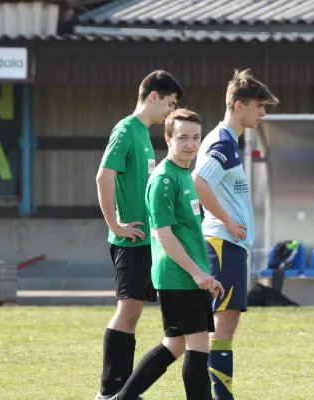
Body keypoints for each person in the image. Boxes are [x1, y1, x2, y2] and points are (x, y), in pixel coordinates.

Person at [117, 109, 225, 400]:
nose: (191, 144)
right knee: (198, 345)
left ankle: (123, 397)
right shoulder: (164, 179)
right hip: (179, 275)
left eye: (195, 137)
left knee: (174, 344)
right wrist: (198, 273)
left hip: (188, 274)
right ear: (168, 139)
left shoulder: (184, 174)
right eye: (183, 138)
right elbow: (163, 235)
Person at [94, 70, 183, 400]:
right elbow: (103, 177)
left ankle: (123, 388)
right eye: (170, 104)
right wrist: (115, 225)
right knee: (127, 311)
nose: (170, 113)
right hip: (128, 241)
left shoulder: (144, 134)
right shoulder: (126, 129)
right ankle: (108, 391)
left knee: (134, 313)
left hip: (146, 241)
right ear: (154, 96)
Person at [192, 69, 279, 400]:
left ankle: (217, 394)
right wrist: (228, 221)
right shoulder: (222, 141)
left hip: (230, 245)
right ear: (239, 105)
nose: (263, 113)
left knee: (223, 325)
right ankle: (220, 396)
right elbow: (199, 183)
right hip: (223, 244)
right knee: (221, 325)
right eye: (259, 105)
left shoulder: (229, 140)